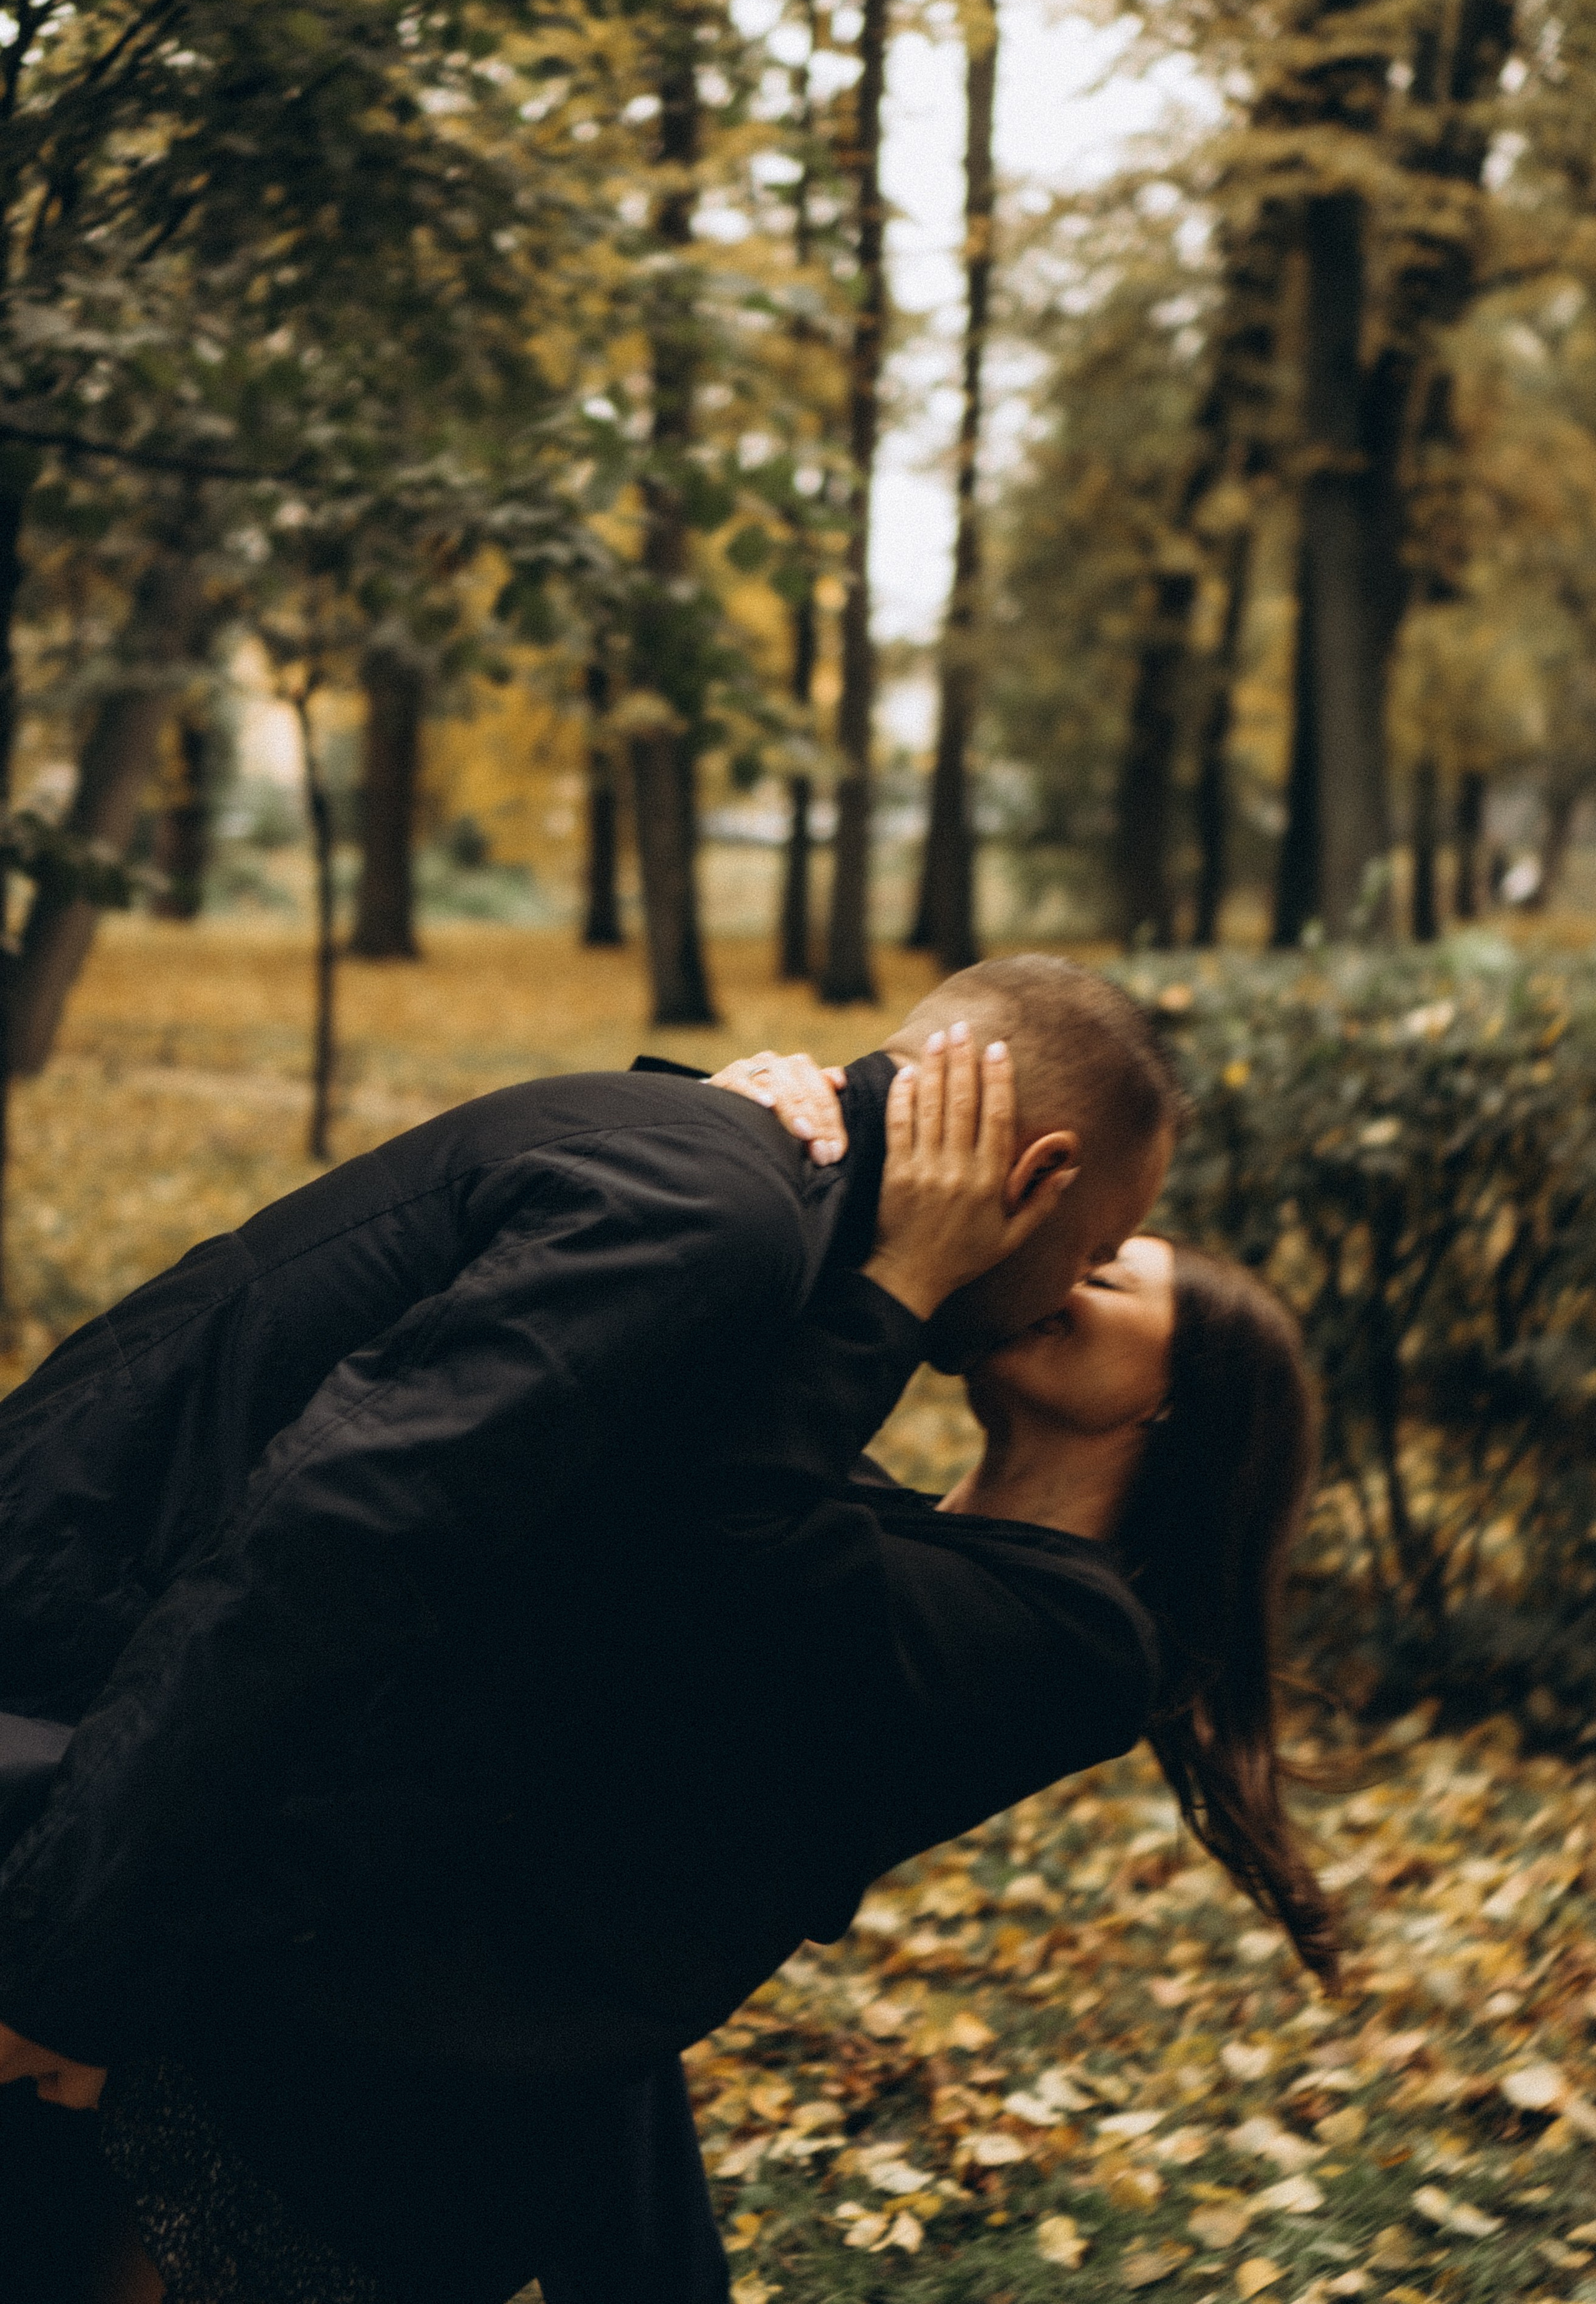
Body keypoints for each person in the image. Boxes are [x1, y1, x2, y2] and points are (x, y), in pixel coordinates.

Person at [0, 957, 1180, 2297]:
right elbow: (322, 1555)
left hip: (135, 1749)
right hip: (68, 1689)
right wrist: (61, 1954)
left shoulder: (738, 1200)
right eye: (1088, 1251)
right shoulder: (721, 1219)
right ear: (1032, 1173)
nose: (1063, 1291)